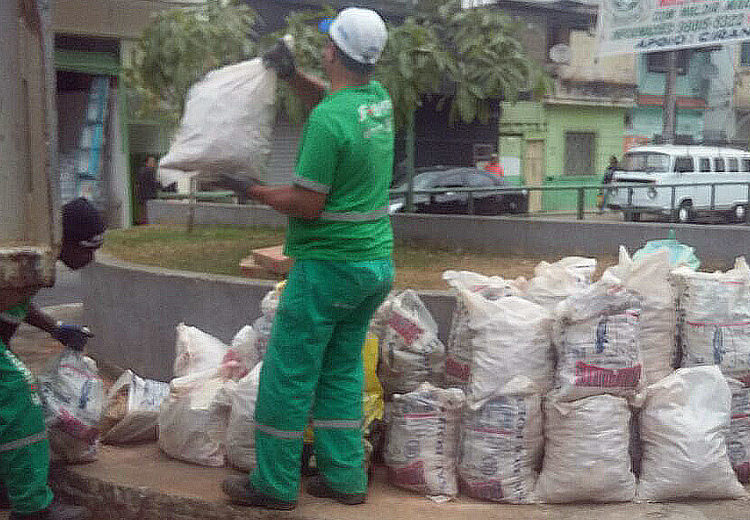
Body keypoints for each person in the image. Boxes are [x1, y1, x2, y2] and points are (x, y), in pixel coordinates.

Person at [219, 7, 394, 511]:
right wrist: (293, 76)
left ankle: (273, 485)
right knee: (341, 370)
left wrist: (249, 188)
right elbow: (333, 102)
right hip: (373, 266)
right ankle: (345, 477)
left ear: (333, 52)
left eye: (326, 46)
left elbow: (307, 203)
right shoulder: (376, 102)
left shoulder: (326, 122)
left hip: (328, 269)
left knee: (288, 375)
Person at [0, 198, 105, 520]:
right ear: (65, 240)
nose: (90, 258)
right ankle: (33, 508)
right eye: (87, 248)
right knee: (19, 395)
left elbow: (15, 302)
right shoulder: (26, 260)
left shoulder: (33, 262)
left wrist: (56, 328)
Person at [134, 156, 159, 225]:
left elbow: (137, 184)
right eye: (153, 162)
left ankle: (143, 223)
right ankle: (146, 224)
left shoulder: (142, 171)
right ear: (148, 162)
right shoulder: (149, 171)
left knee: (143, 212)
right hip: (148, 196)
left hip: (142, 196)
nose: (154, 164)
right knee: (148, 213)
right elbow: (153, 183)